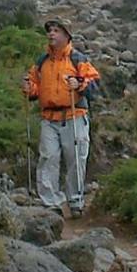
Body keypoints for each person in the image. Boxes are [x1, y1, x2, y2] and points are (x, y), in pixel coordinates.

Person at [24, 19, 100, 216]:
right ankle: (50, 203)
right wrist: (29, 88)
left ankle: (75, 201)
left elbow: (94, 84)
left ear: (67, 35)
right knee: (48, 157)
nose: (51, 34)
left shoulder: (78, 59)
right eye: (50, 30)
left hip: (74, 115)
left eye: (56, 31)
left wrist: (80, 84)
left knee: (75, 159)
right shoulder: (42, 62)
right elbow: (34, 86)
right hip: (49, 118)